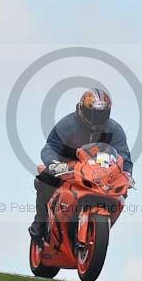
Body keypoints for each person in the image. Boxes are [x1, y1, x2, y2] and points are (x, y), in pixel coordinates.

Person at [29, 88, 133, 245]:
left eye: (101, 114)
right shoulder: (67, 125)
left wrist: (126, 174)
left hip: (100, 173)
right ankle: (40, 223)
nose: (96, 119)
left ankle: (98, 228)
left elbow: (124, 156)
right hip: (68, 168)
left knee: (121, 190)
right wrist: (54, 164)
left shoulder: (114, 130)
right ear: (82, 109)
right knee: (44, 180)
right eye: (92, 113)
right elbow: (50, 147)